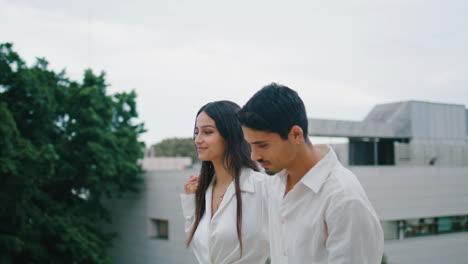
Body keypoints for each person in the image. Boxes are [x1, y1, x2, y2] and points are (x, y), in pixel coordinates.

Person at [238, 83, 384, 264]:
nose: (254, 156)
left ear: (296, 135)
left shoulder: (344, 199)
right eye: (250, 145)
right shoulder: (276, 182)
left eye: (262, 145)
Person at [181, 100, 270, 264]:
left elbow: (290, 245)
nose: (197, 140)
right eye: (196, 132)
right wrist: (191, 201)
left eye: (207, 132)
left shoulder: (263, 187)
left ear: (231, 135)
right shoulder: (203, 190)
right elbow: (200, 245)